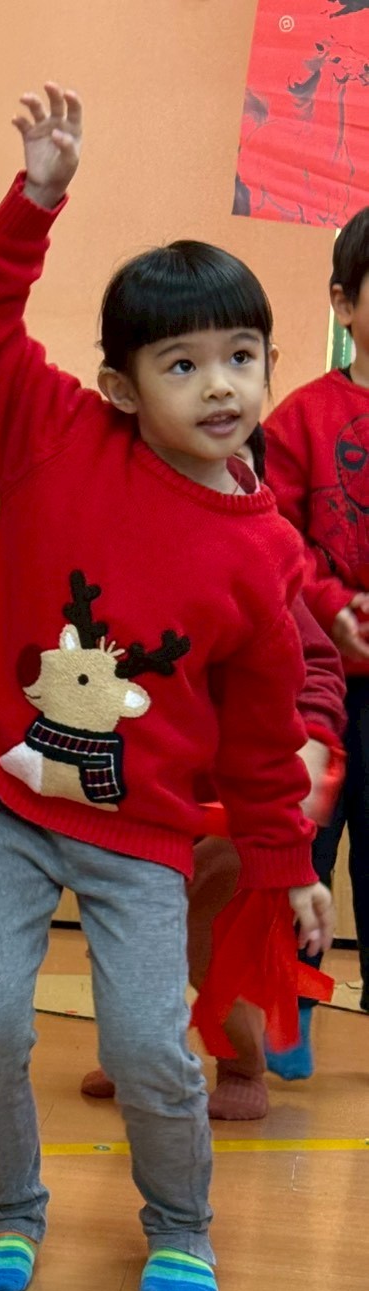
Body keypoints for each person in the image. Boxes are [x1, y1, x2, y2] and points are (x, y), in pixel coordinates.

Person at [0, 82, 334, 1291]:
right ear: (119, 387)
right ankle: (11, 1210)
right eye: (183, 364)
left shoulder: (265, 551)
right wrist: (36, 198)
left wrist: (286, 869)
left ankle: (180, 1223)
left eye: (242, 358)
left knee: (151, 1045)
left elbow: (261, 740)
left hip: (142, 838)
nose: (220, 386)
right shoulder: (53, 437)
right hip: (9, 806)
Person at [81, 431, 346, 1120]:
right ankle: (141, 1050)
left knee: (213, 936)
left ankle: (241, 1061)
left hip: (237, 799)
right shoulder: (124, 552)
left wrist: (312, 738)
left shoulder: (263, 559)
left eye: (226, 473)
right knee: (124, 932)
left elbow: (318, 667)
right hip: (147, 794)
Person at [265, 204, 369, 1072]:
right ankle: (288, 1009)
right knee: (305, 841)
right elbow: (276, 539)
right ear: (344, 303)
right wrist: (333, 605)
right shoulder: (301, 417)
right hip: (319, 680)